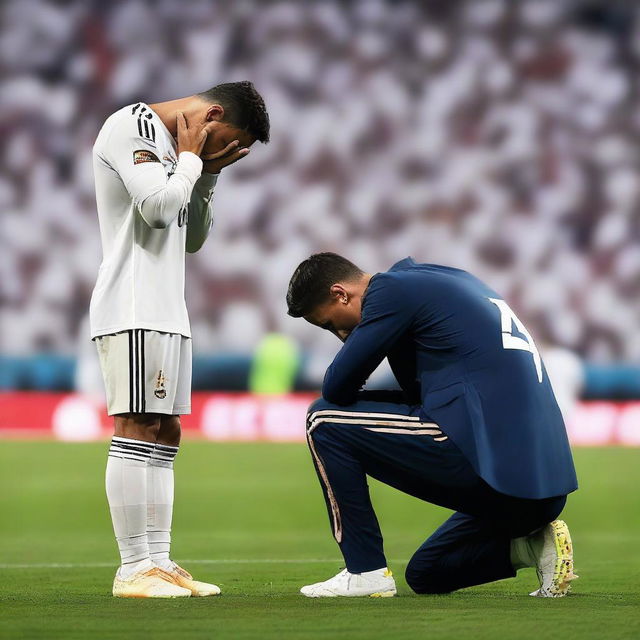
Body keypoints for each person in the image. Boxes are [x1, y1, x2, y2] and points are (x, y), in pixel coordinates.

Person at [286, 253, 578, 598]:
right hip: (540, 489)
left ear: (341, 294)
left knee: (323, 420)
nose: (339, 332)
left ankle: (365, 572)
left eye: (329, 323)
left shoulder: (390, 291)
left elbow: (336, 387)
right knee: (427, 573)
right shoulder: (441, 279)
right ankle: (532, 545)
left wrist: (360, 342)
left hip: (492, 461)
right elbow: (418, 396)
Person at [90, 81, 270, 598]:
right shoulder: (134, 126)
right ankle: (133, 568)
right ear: (212, 113)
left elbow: (190, 237)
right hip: (132, 303)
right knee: (136, 424)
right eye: (227, 142)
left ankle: (160, 561)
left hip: (167, 307)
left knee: (166, 431)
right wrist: (192, 161)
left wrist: (207, 173)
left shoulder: (182, 153)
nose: (226, 152)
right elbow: (158, 210)